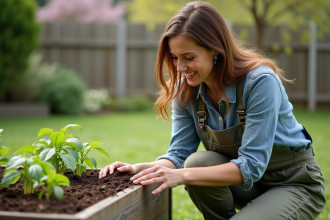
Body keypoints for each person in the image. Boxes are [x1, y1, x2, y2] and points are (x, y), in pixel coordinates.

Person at [99, 2, 326, 219]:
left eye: (189, 58)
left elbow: (251, 165)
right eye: (175, 57)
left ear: (215, 51)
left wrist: (181, 176)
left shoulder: (260, 82)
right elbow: (178, 156)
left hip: (293, 183)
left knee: (191, 171)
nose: (179, 68)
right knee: (196, 162)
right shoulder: (185, 91)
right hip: (247, 187)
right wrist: (138, 169)